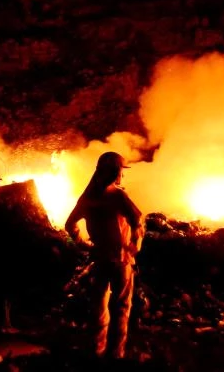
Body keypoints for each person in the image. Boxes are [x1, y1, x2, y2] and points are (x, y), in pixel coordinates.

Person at [65, 151, 144, 359]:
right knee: (121, 307)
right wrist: (135, 245)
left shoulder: (87, 197)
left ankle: (96, 350)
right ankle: (115, 355)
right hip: (121, 260)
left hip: (99, 259)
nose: (122, 176)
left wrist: (83, 245)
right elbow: (137, 220)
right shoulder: (118, 195)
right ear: (115, 172)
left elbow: (69, 225)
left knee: (98, 307)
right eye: (121, 171)